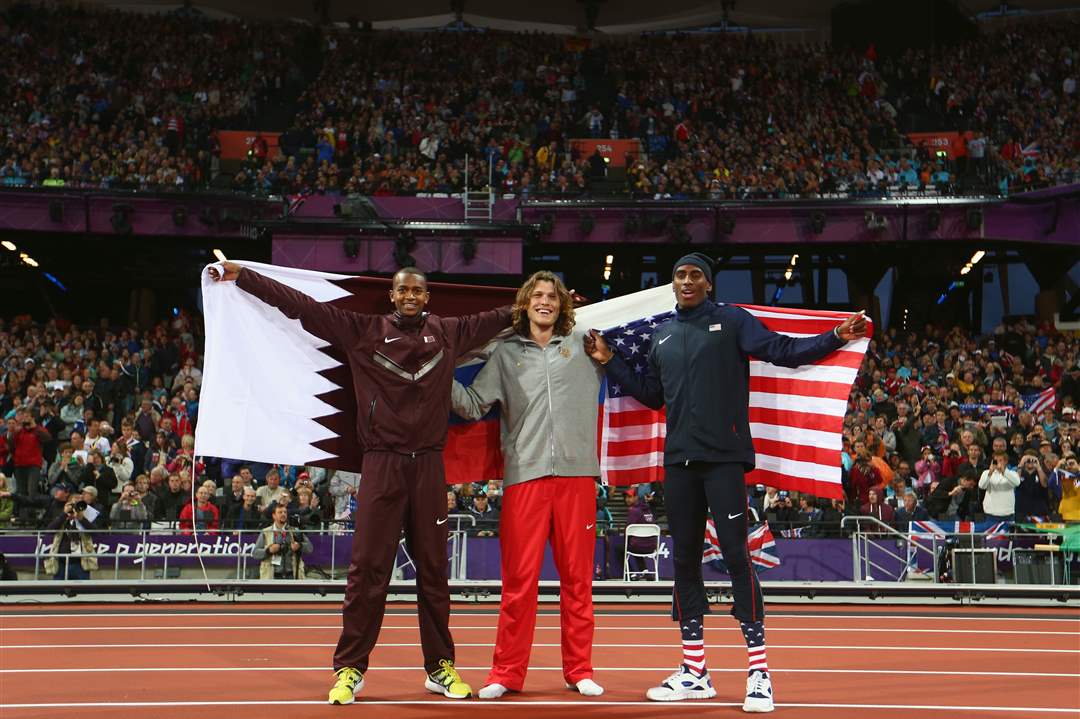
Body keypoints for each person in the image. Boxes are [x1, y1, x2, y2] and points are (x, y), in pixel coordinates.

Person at [210, 260, 511, 705]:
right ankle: (350, 668)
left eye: (417, 291)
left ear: (427, 298)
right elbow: (302, 306)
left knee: (434, 574)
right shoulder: (362, 330)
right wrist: (246, 277)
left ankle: (439, 667)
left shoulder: (449, 332)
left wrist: (564, 303)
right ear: (392, 295)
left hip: (429, 465)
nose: (409, 296)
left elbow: (506, 315)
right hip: (381, 465)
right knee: (367, 572)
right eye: (402, 290)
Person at [584, 252, 866, 712]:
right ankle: (695, 670)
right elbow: (653, 395)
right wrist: (611, 360)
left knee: (737, 556)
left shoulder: (733, 322)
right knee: (685, 562)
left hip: (724, 462)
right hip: (678, 464)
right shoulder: (661, 333)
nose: (688, 280)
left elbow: (785, 352)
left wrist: (835, 336)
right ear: (673, 284)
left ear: (709, 284)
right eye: (680, 275)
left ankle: (759, 674)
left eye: (696, 275)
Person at [451, 270, 604, 699]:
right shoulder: (503, 353)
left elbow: (631, 349)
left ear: (563, 304)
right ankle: (506, 673)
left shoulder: (587, 345)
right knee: (519, 583)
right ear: (525, 302)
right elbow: (472, 404)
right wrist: (435, 374)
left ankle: (580, 669)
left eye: (552, 296)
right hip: (525, 477)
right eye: (537, 295)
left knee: (579, 582)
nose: (545, 302)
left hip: (577, 477)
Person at [252, 503, 313, 579]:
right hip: (271, 576)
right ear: (274, 515)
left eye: (285, 512)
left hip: (292, 575)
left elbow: (310, 548)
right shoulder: (266, 532)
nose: (283, 514)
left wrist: (299, 546)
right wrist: (268, 550)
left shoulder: (294, 531)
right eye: (280, 512)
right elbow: (255, 553)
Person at [978, 450, 1021, 522]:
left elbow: (1017, 483)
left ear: (1006, 461)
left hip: (1008, 513)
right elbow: (982, 486)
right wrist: (990, 472)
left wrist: (1004, 471)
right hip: (990, 513)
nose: (998, 462)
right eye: (996, 460)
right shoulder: (986, 473)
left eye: (1000, 460)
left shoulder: (1012, 473)